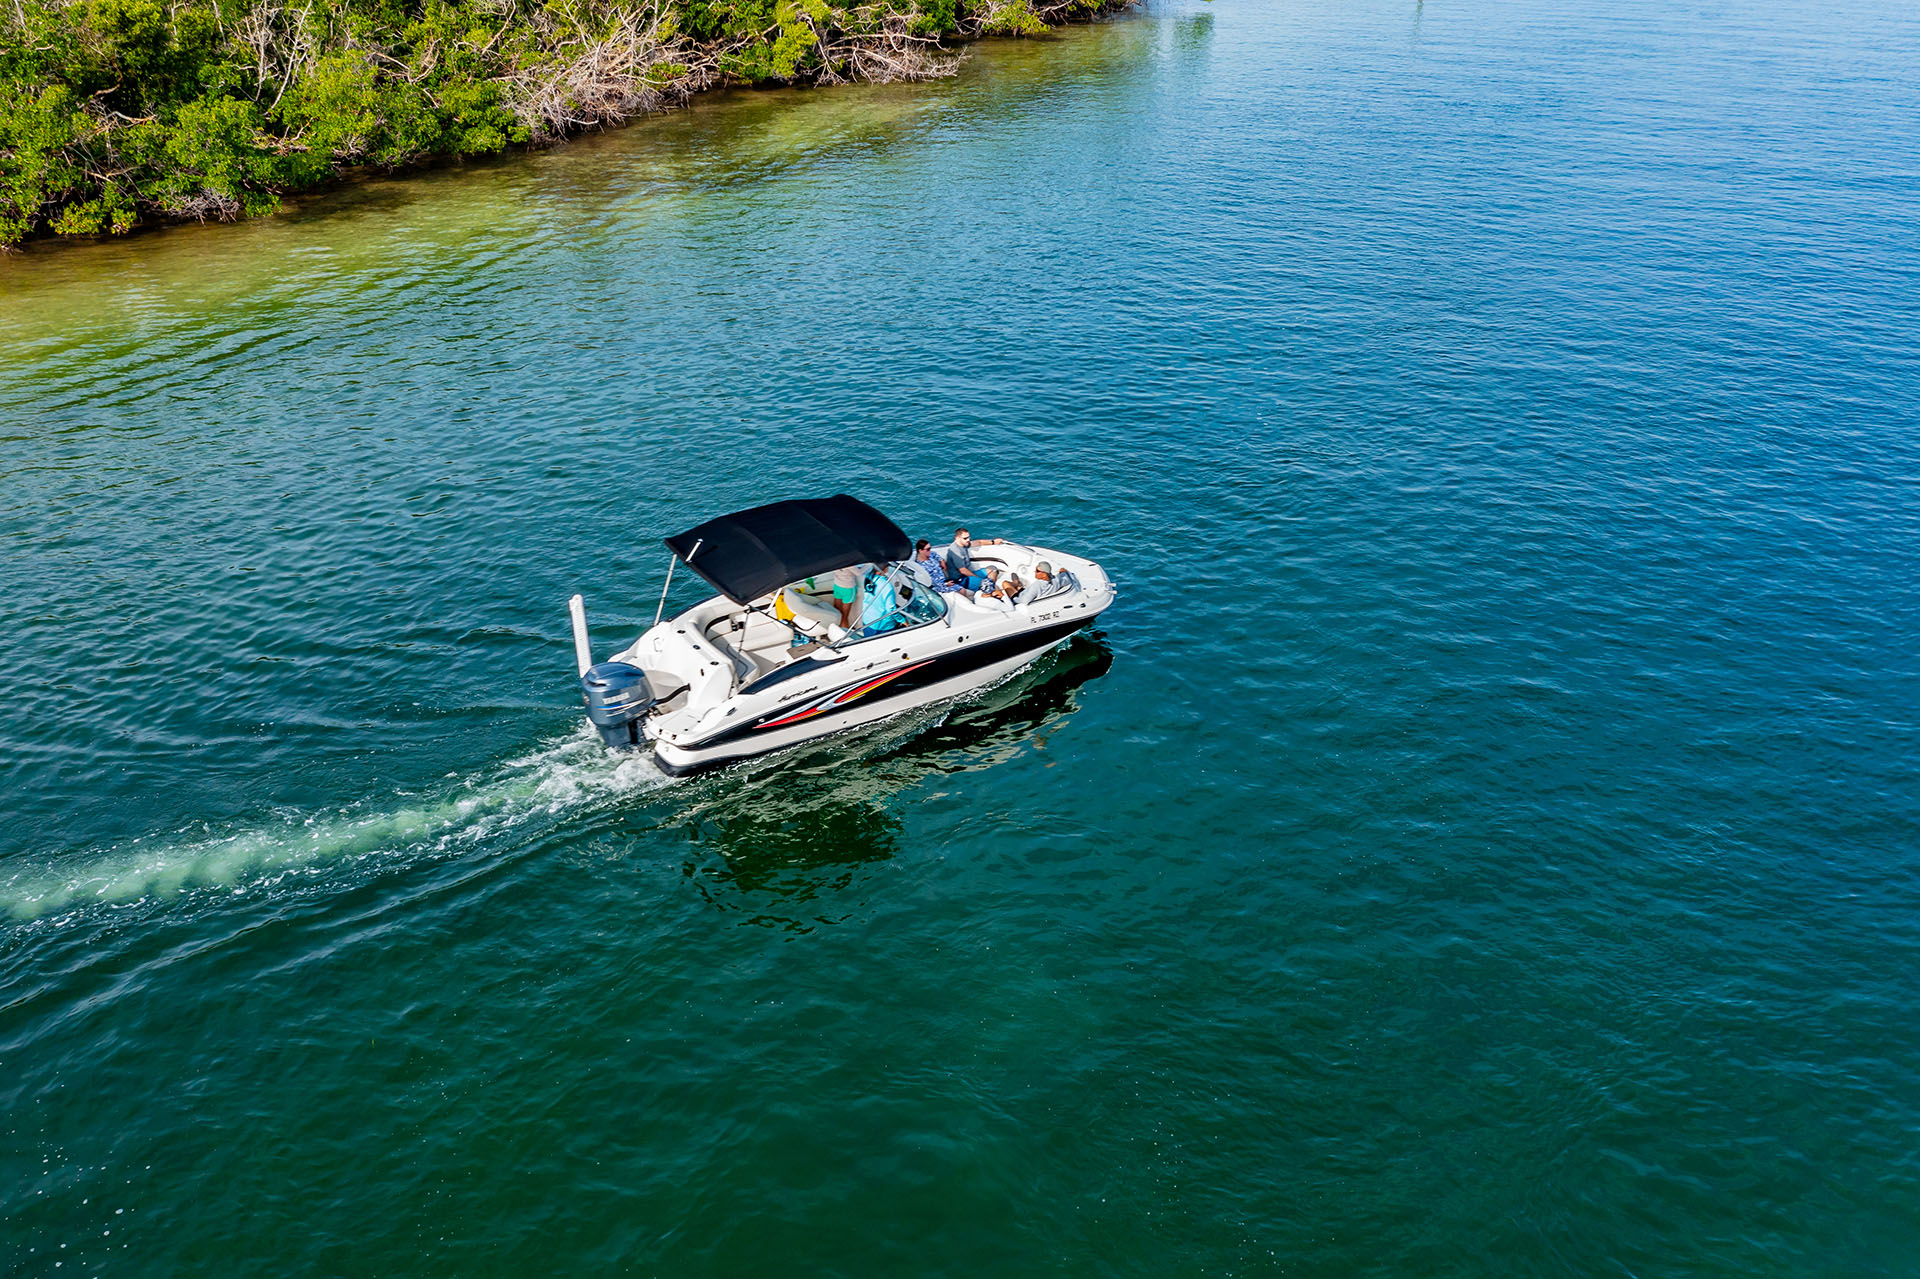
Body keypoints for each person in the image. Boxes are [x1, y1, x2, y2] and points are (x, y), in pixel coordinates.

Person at [943, 527, 1008, 594]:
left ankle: (989, 587)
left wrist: (993, 542)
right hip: (961, 580)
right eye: (965, 538)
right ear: (957, 538)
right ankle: (988, 590)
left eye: (968, 537)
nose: (968, 540)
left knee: (993, 569)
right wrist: (977, 577)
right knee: (986, 584)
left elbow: (979, 542)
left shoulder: (964, 544)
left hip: (968, 575)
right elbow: (963, 570)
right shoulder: (955, 551)